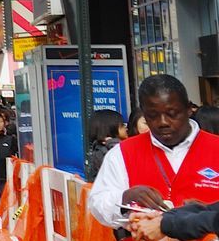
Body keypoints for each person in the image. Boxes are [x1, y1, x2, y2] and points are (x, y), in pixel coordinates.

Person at [87, 74, 219, 230]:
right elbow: (97, 205)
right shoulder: (122, 153)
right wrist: (124, 198)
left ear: (189, 109)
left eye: (172, 114)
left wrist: (208, 213)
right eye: (153, 116)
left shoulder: (215, 147)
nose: (163, 122)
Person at [84, 108, 127, 182]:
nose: (126, 128)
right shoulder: (102, 151)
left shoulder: (104, 148)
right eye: (122, 125)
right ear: (110, 128)